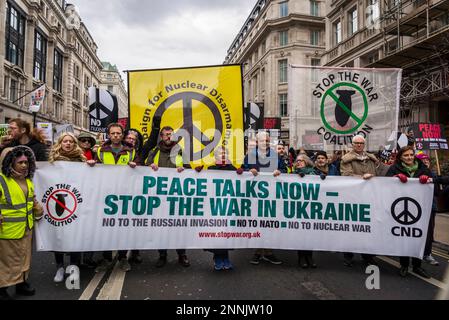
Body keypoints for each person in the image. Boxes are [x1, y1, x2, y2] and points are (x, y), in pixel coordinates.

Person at [88, 123, 137, 273]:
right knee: (106, 228)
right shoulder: (101, 151)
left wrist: (136, 165)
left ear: (122, 135)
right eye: (113, 133)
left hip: (125, 196)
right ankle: (107, 258)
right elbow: (95, 170)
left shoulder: (131, 151)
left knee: (123, 228)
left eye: (118, 133)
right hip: (106, 196)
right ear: (109, 135)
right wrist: (91, 164)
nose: (116, 136)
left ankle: (122, 258)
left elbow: (140, 170)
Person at [0, 146, 43, 300]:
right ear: (10, 163)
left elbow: (31, 199)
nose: (24, 166)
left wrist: (38, 209)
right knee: (8, 260)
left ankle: (21, 283)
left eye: (26, 162)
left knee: (24, 258)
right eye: (20, 162)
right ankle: (2, 288)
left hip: (26, 228)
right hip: (7, 229)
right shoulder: (2, 179)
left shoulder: (26, 180)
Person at [145, 126, 190, 268]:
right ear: (161, 136)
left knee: (178, 227)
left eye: (171, 135)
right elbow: (145, 167)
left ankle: (182, 254)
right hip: (159, 196)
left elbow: (188, 170)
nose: (169, 137)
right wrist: (150, 165)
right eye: (166, 135)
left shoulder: (180, 151)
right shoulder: (155, 151)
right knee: (161, 227)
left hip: (176, 196)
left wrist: (184, 169)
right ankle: (162, 255)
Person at [386, 146, 432, 278]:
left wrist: (426, 178)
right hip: (400, 209)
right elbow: (385, 185)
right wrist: (395, 178)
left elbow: (433, 185)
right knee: (404, 237)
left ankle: (417, 266)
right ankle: (404, 265)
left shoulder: (423, 168)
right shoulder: (394, 168)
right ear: (400, 157)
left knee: (418, 237)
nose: (409, 157)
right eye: (406, 155)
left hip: (420, 209)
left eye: (411, 155)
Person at [49, 133, 86, 282]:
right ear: (60, 143)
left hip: (76, 201)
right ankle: (59, 267)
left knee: (75, 235)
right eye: (65, 141)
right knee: (58, 235)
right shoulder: (52, 161)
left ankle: (73, 267)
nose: (68, 144)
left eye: (71, 141)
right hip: (59, 201)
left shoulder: (81, 160)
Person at [245, 131, 286, 266]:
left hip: (272, 195)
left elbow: (284, 169)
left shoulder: (275, 155)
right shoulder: (250, 155)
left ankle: (268, 252)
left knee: (270, 223)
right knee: (257, 222)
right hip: (255, 194)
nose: (265, 143)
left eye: (267, 141)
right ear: (257, 142)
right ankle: (257, 251)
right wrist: (249, 171)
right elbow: (243, 170)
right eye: (263, 141)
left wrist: (280, 171)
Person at [340, 135, 378, 267]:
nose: (359, 145)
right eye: (356, 143)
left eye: (361, 143)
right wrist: (362, 178)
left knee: (367, 227)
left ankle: (368, 256)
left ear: (364, 145)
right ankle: (348, 255)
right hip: (353, 197)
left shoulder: (371, 158)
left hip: (369, 197)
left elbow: (378, 172)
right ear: (352, 144)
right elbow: (346, 175)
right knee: (351, 227)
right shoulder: (346, 159)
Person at [204, 146, 239, 271]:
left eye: (225, 153)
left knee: (226, 232)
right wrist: (198, 173)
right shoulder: (211, 169)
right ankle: (218, 258)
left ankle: (225, 258)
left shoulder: (232, 169)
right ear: (216, 156)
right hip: (215, 205)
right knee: (217, 232)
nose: (222, 155)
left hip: (228, 205)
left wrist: (241, 173)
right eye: (220, 154)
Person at [122, 128, 144, 265]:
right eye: (129, 138)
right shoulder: (117, 150)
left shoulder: (139, 153)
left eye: (133, 139)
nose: (131, 140)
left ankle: (135, 252)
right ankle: (119, 254)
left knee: (135, 225)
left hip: (135, 192)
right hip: (119, 192)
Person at [415, 152, 439, 266]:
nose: (426, 162)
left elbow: (438, 193)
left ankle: (427, 254)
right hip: (416, 208)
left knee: (429, 233)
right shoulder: (415, 173)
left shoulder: (433, 173)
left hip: (431, 207)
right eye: (423, 161)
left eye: (427, 160)